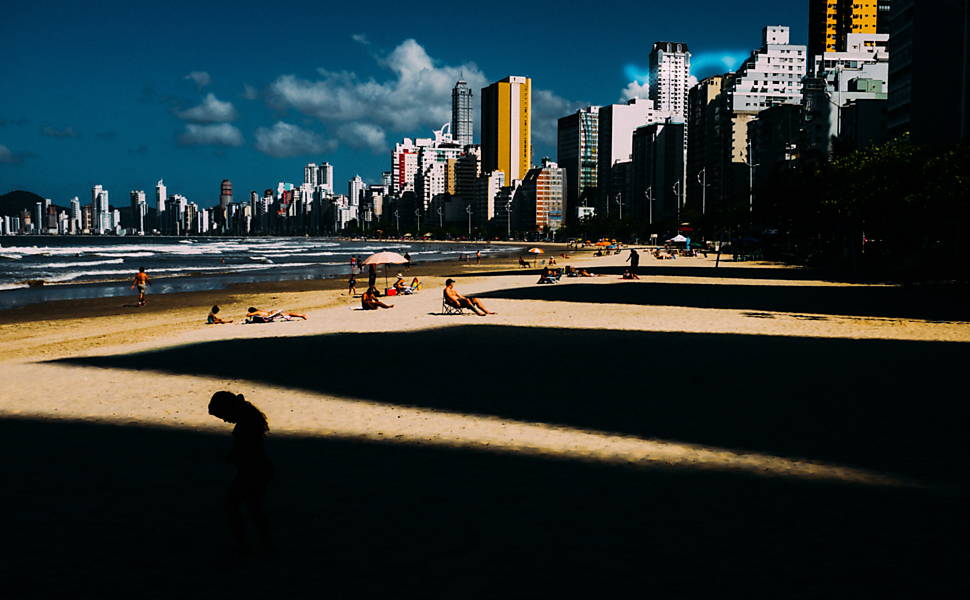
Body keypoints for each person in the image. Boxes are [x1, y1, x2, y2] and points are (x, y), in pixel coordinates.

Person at [208, 391, 273, 555]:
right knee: (252, 508)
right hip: (256, 471)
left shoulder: (247, 424)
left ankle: (247, 547)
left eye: (223, 415)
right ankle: (262, 546)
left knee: (238, 507)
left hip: (252, 473)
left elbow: (248, 451)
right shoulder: (250, 419)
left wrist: (232, 457)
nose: (224, 420)